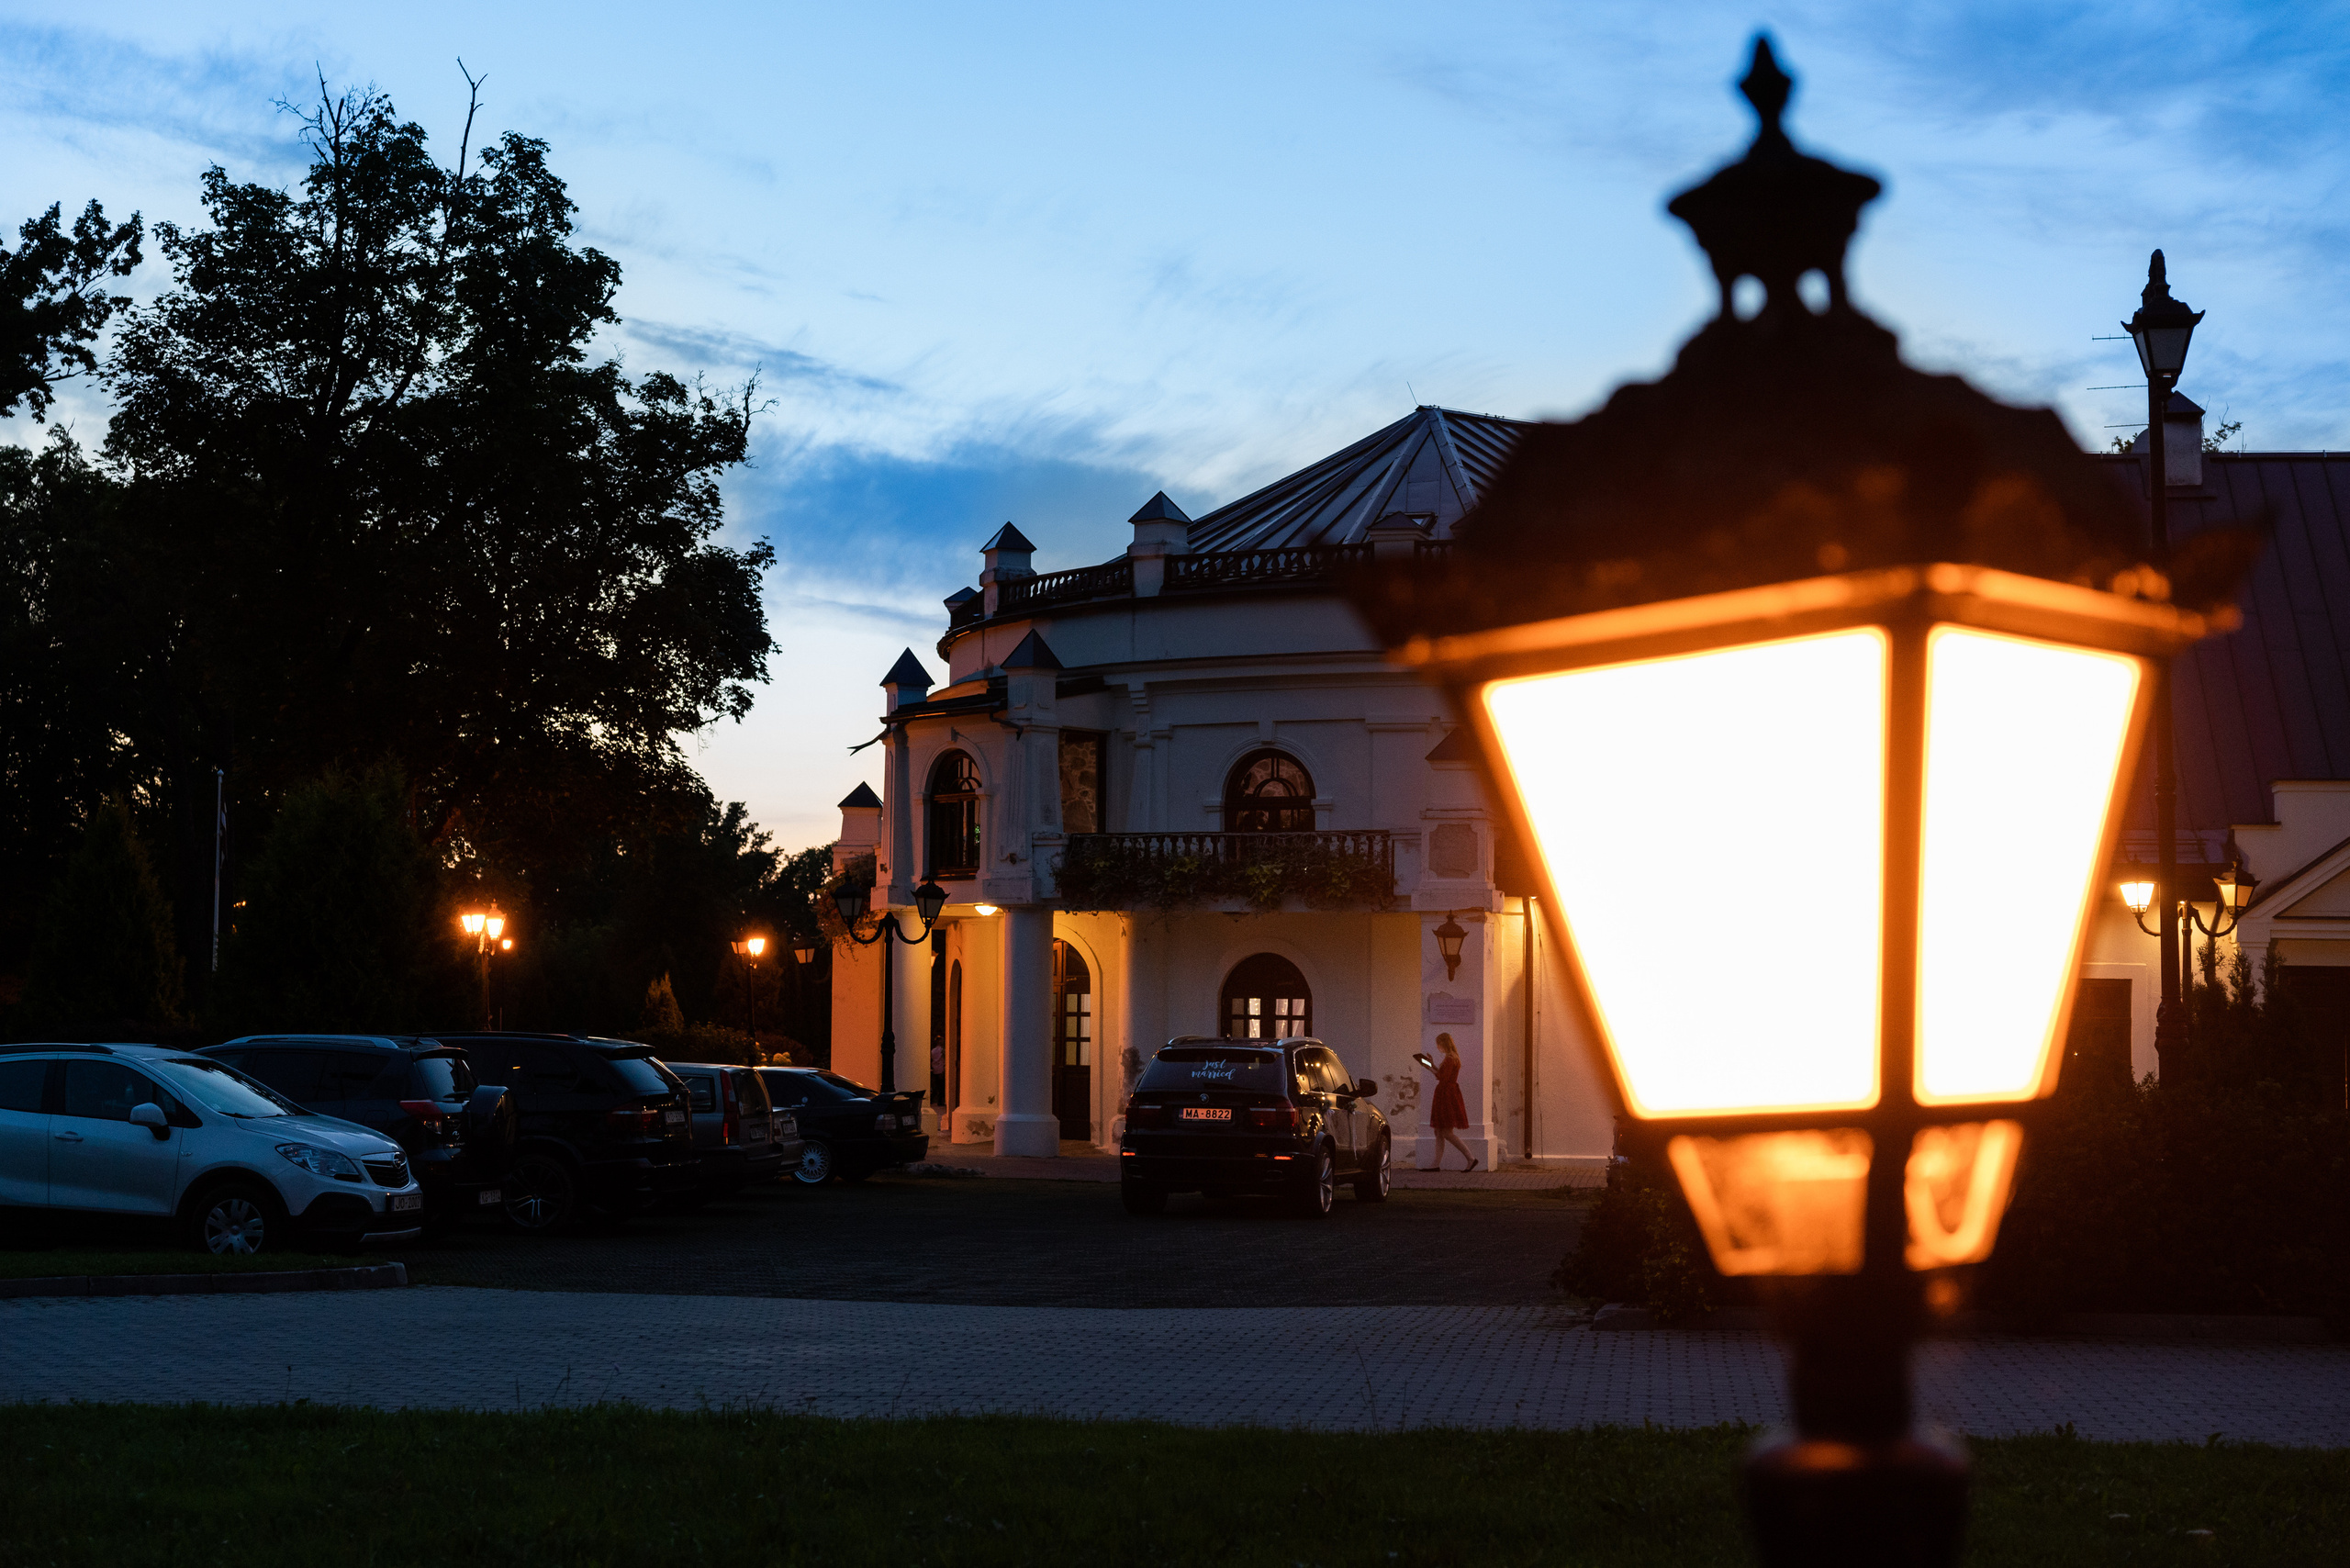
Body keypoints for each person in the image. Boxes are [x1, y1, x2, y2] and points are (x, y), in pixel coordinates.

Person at [1425, 1033, 1477, 1172]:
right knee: (1439, 1131)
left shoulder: (1449, 1059)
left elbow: (1442, 1077)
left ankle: (1470, 1158)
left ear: (1444, 1043)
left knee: (1446, 1132)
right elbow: (1443, 1074)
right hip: (1448, 1094)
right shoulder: (1453, 1058)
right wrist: (1431, 1064)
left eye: (1439, 1044)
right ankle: (1435, 1164)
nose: (1437, 1047)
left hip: (1446, 1095)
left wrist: (1429, 1067)